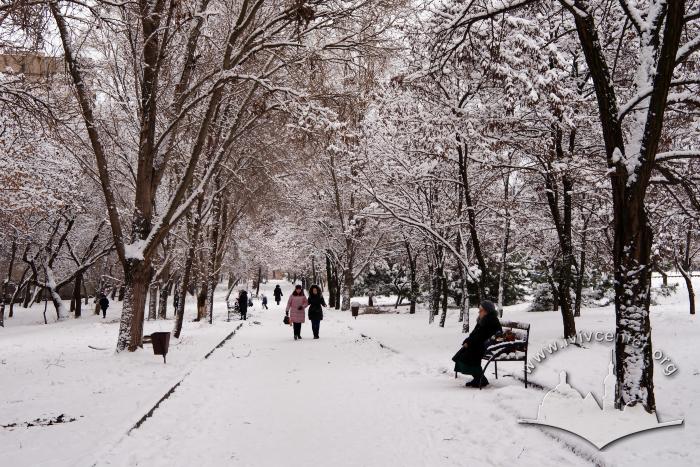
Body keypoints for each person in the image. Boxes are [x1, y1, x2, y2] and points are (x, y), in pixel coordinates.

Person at [452, 300, 502, 388]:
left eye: (481, 310)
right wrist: (468, 341)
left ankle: (480, 379)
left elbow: (481, 336)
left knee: (469, 353)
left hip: (489, 345)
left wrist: (469, 343)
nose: (479, 312)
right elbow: (475, 334)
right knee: (462, 353)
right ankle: (478, 378)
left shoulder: (490, 320)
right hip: (482, 344)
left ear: (487, 311)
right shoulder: (483, 319)